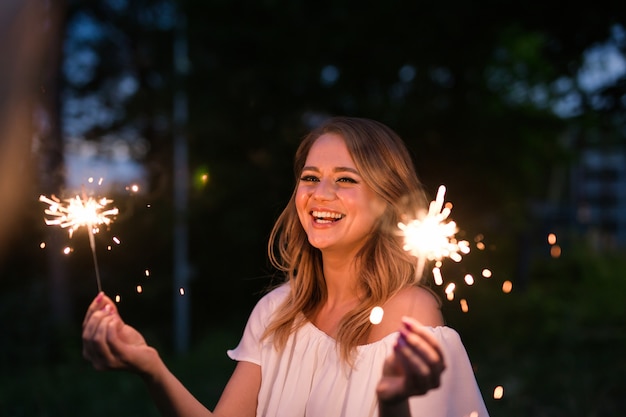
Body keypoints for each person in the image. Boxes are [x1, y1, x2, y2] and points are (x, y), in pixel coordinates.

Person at [82, 116, 490, 417]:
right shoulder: (277, 311)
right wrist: (151, 367)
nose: (320, 194)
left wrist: (393, 402)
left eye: (345, 180)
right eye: (310, 177)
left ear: (386, 201)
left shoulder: (414, 315)